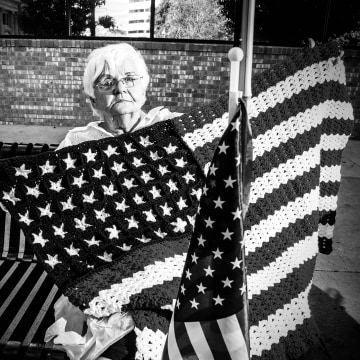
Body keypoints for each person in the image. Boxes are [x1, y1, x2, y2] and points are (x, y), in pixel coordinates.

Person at [45, 42, 182, 360]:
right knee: (97, 331)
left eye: (130, 78)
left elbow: (230, 132)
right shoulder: (77, 142)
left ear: (145, 87)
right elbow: (50, 202)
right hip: (103, 268)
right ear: (92, 98)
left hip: (164, 265)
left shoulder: (168, 129)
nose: (120, 88)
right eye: (107, 82)